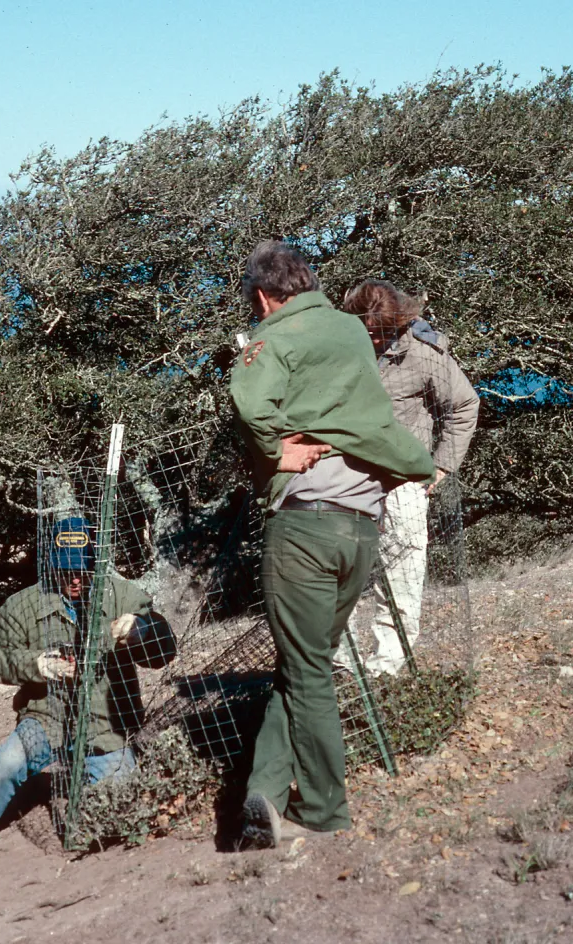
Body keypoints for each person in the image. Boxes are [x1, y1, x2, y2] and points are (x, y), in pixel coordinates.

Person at [228, 241, 434, 849]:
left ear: (265, 297)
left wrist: (275, 451)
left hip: (306, 526)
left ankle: (324, 809)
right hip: (361, 530)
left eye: (255, 304)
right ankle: (261, 797)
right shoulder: (352, 330)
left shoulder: (275, 335)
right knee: (301, 664)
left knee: (308, 670)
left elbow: (246, 400)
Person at [0, 516, 175, 870]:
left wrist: (140, 630)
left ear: (96, 562)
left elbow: (165, 649)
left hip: (106, 725)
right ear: (51, 565)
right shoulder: (24, 604)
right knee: (7, 765)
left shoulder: (121, 594)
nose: (75, 578)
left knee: (120, 804)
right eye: (66, 570)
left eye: (83, 568)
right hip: (46, 716)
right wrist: (36, 665)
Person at [337, 280, 479, 677]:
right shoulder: (337, 352)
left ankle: (388, 666)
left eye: (383, 332)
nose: (376, 341)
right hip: (343, 480)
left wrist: (443, 465)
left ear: (400, 323)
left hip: (402, 483)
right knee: (336, 573)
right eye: (367, 332)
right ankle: (338, 665)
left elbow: (464, 405)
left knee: (401, 575)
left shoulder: (424, 355)